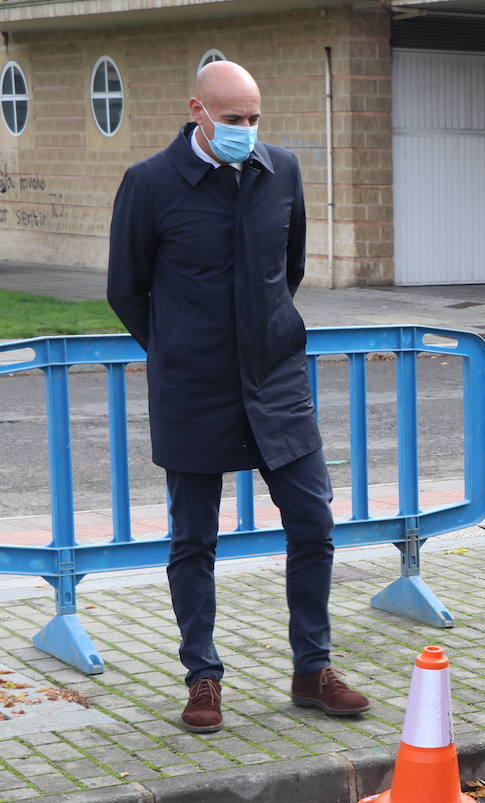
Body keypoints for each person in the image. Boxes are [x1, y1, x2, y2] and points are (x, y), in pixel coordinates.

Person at [106, 60, 369, 734]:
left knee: (312, 522)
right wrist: (175, 349)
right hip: (192, 387)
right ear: (198, 110)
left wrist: (267, 333)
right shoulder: (148, 184)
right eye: (233, 120)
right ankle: (203, 677)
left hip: (276, 382)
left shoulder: (280, 171)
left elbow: (293, 267)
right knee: (194, 538)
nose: (246, 132)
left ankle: (312, 669)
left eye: (254, 119)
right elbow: (125, 289)